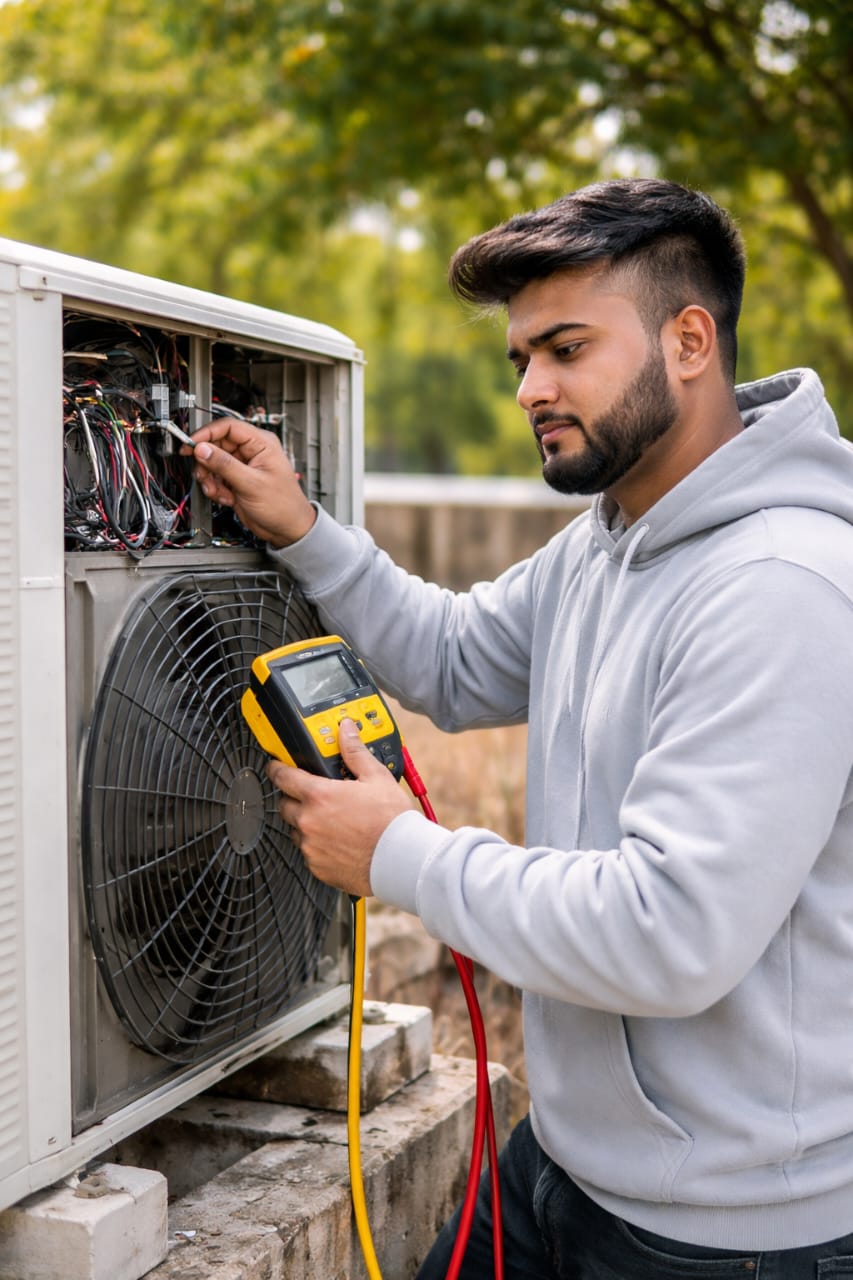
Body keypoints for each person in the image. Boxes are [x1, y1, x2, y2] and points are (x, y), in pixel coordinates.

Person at [188, 178, 853, 1278]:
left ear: (689, 340)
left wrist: (398, 850)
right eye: (519, 359)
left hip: (722, 1237)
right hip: (564, 1163)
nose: (531, 386)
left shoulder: (780, 586)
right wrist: (303, 529)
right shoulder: (609, 537)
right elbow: (452, 659)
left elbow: (668, 931)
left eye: (565, 347)